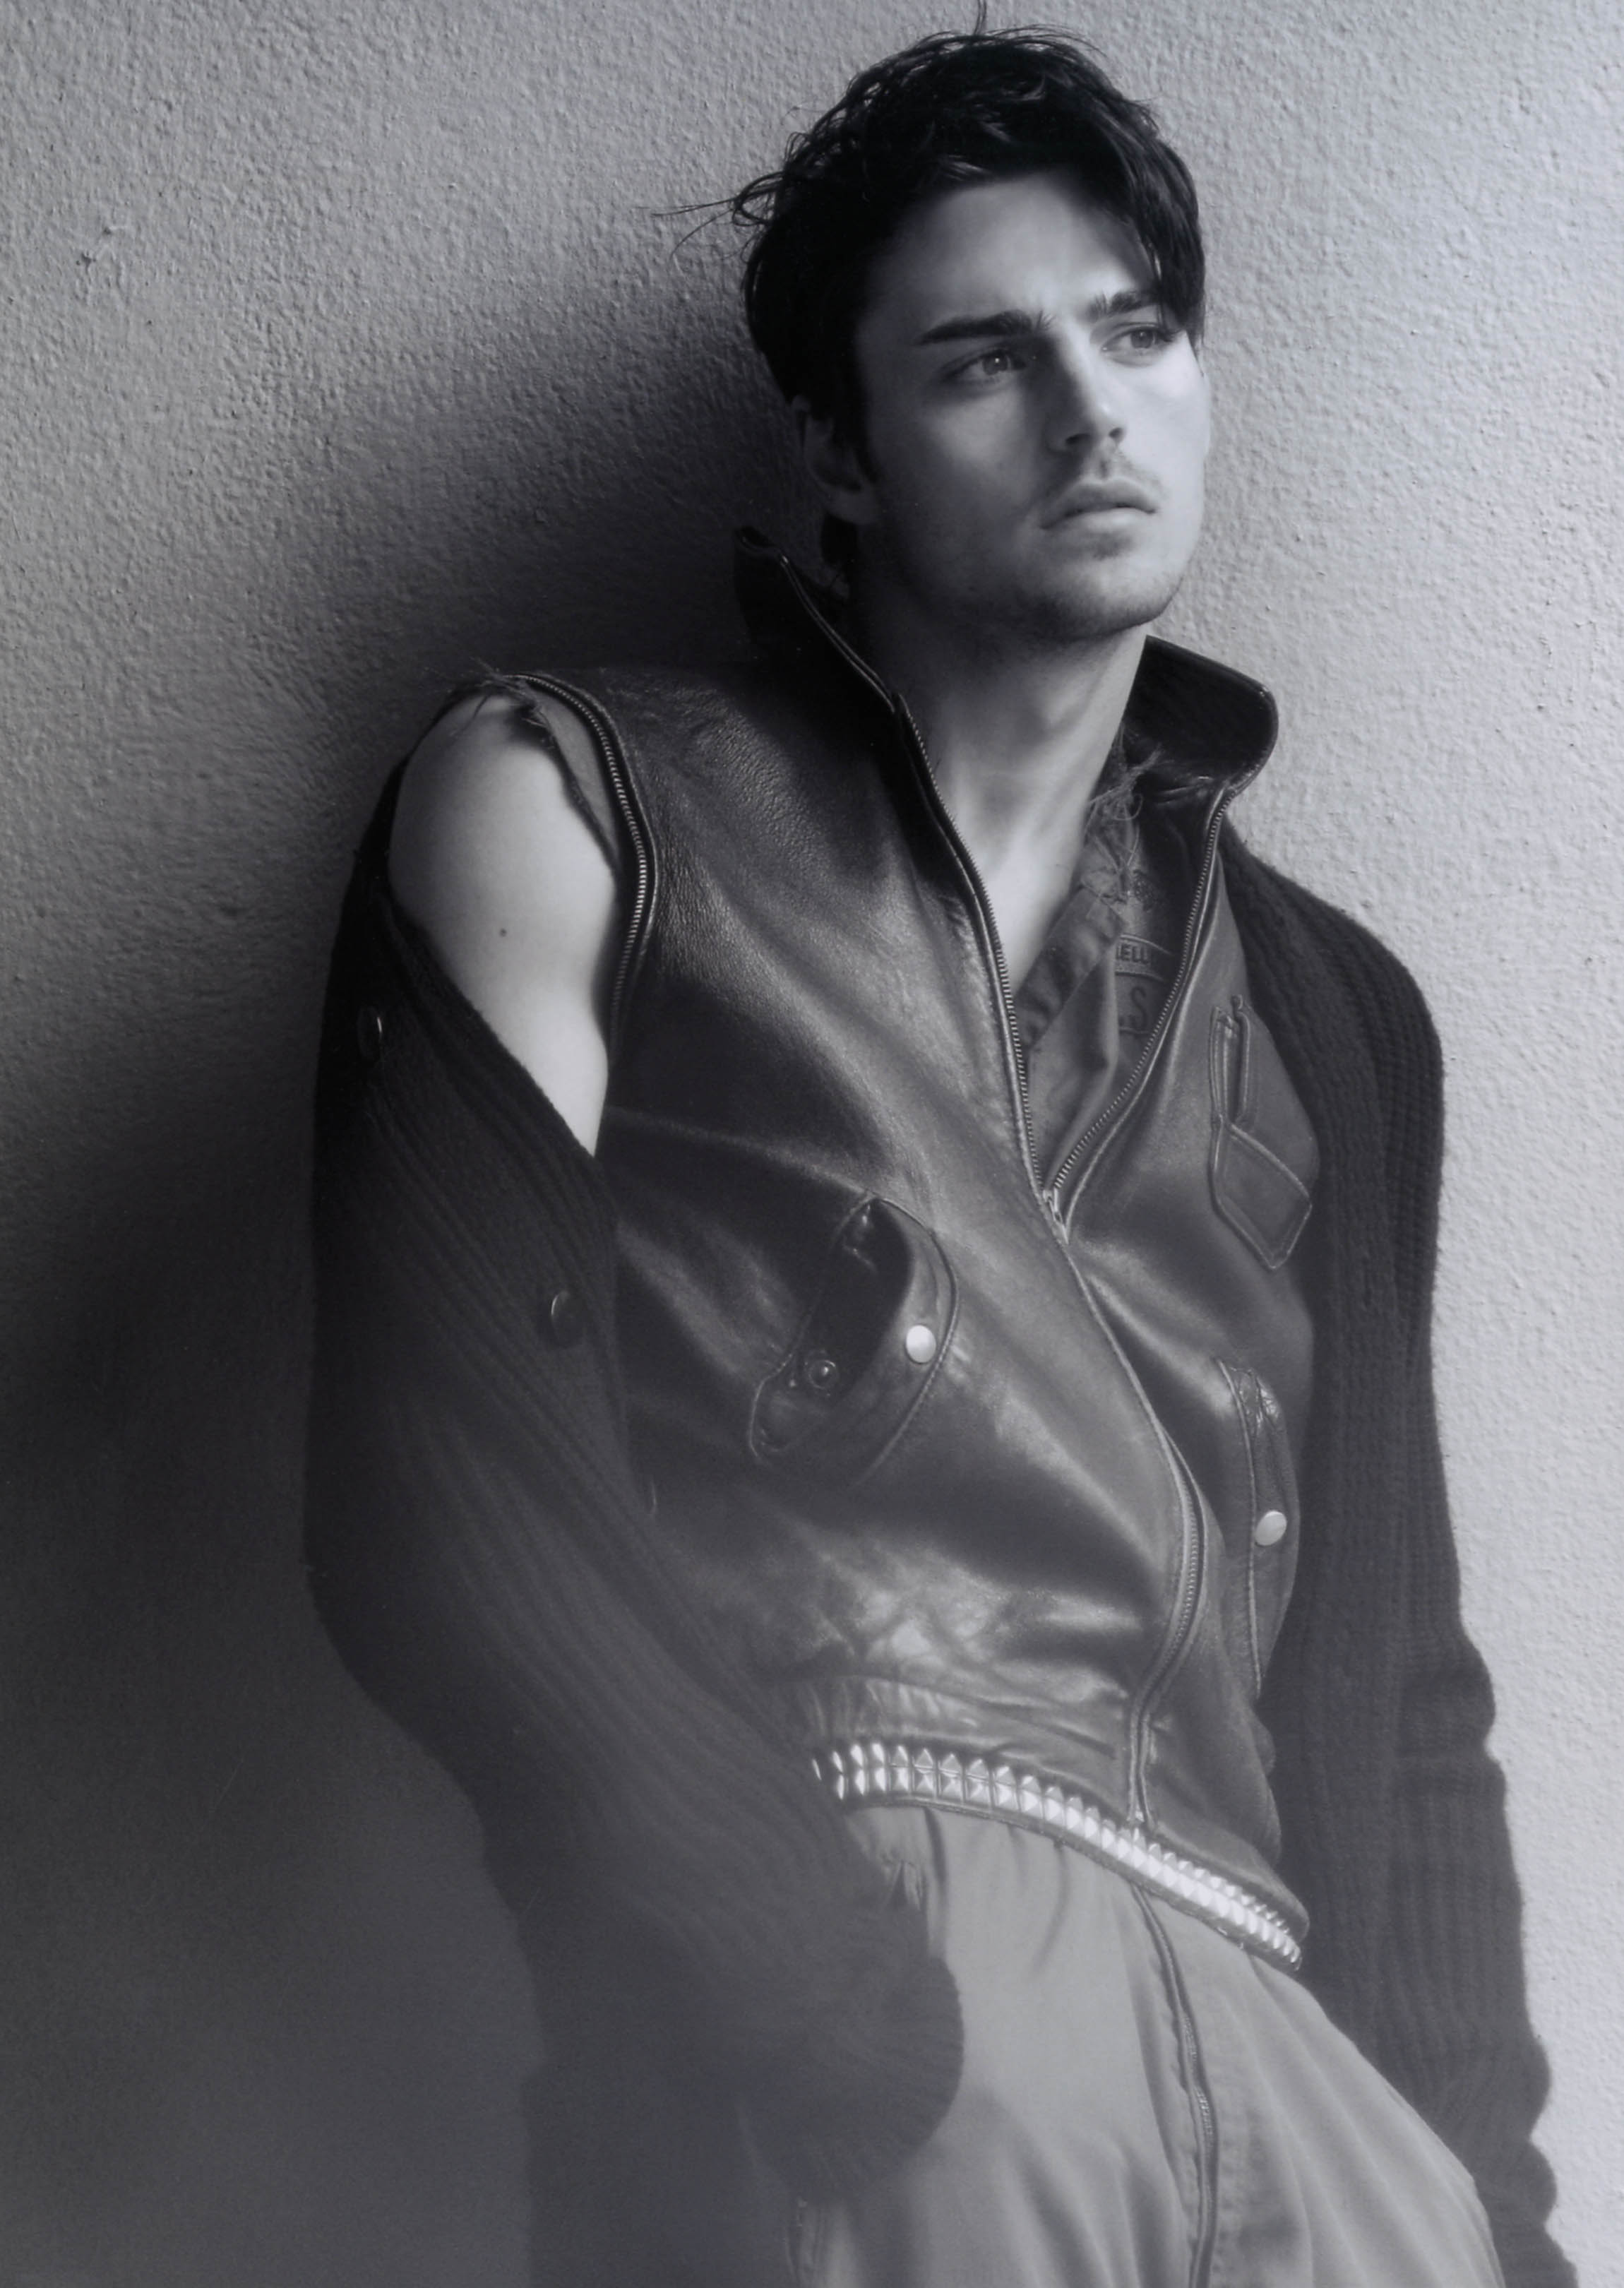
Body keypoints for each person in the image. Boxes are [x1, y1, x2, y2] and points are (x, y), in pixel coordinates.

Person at [304, 28, 1573, 2288]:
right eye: (984, 360)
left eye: (1136, 333)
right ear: (839, 446)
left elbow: (1403, 1698)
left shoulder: (1332, 1012)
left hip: (1296, 2059)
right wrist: (822, 2007)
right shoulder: (575, 804)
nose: (1091, 414)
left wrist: (1483, 2217)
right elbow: (450, 1488)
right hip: (885, 1976)